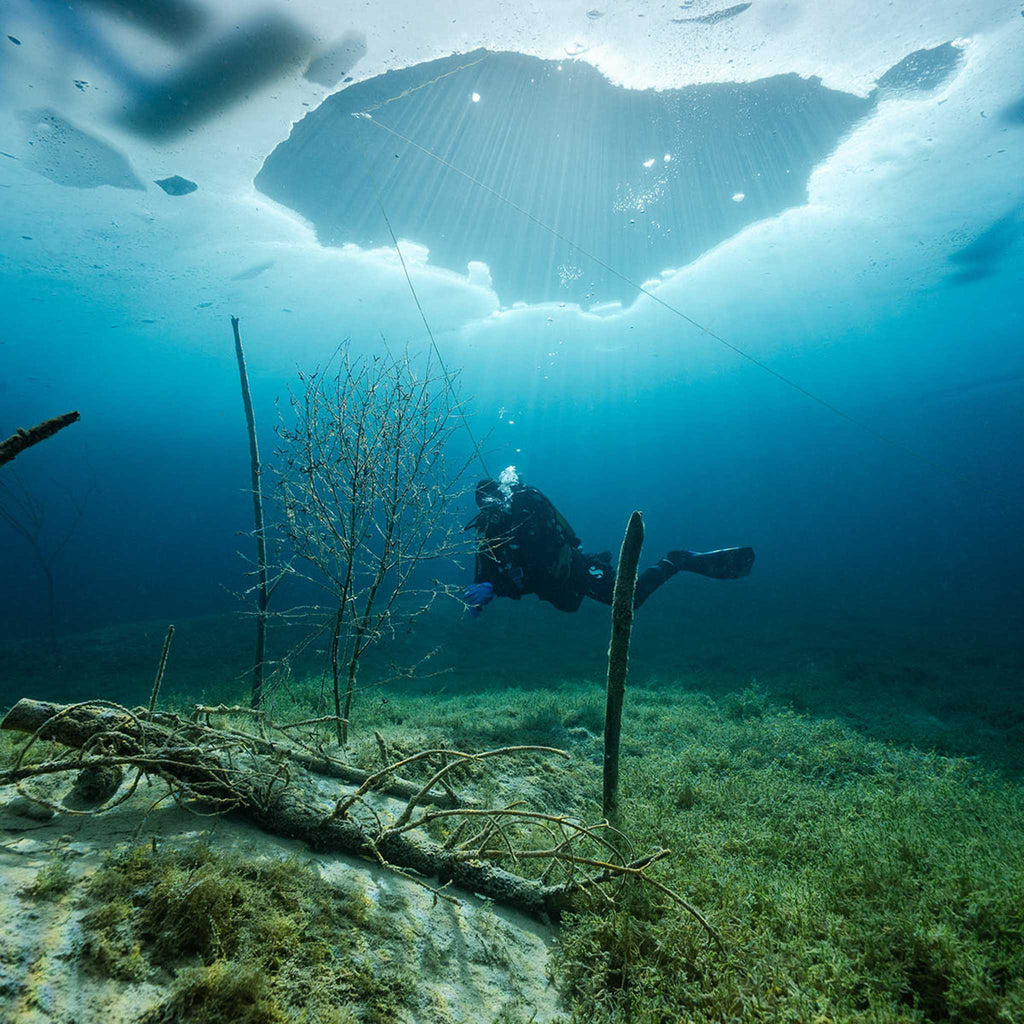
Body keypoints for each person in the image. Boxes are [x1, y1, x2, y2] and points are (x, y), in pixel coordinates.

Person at [463, 474, 754, 617]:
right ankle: (600, 563)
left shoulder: (526, 513)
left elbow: (543, 560)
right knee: (572, 603)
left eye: (493, 504)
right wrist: (480, 592)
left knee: (629, 600)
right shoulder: (489, 529)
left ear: (505, 497)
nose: (490, 512)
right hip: (555, 586)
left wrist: (497, 588)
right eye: (484, 507)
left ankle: (677, 560)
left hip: (571, 569)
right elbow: (485, 570)